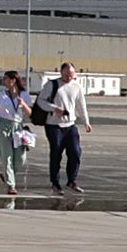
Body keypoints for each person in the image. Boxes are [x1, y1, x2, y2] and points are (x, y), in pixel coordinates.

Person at [36, 61, 88, 193]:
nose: (68, 78)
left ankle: (72, 180)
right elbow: (41, 101)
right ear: (61, 73)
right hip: (54, 125)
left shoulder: (76, 86)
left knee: (75, 152)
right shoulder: (51, 84)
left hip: (70, 125)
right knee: (56, 153)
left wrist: (86, 121)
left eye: (71, 75)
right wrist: (54, 108)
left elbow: (81, 105)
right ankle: (55, 183)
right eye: (66, 75)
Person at [0, 71, 33, 195]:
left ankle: (8, 175)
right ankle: (11, 185)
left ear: (13, 80)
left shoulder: (24, 95)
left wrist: (23, 104)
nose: (4, 81)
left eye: (6, 79)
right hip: (3, 125)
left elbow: (30, 113)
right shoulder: (1, 95)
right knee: (7, 156)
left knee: (20, 157)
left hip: (18, 127)